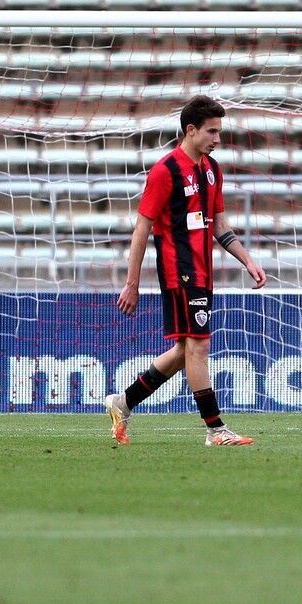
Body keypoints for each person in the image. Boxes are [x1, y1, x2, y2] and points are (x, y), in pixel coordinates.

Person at [104, 95, 268, 446]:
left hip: (202, 272)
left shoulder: (212, 170)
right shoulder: (166, 171)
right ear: (190, 130)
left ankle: (124, 401)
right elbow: (141, 229)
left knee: (185, 352)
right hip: (179, 271)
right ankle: (215, 429)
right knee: (199, 347)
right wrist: (132, 284)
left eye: (219, 131)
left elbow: (220, 226)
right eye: (212, 131)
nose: (217, 139)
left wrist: (248, 261)